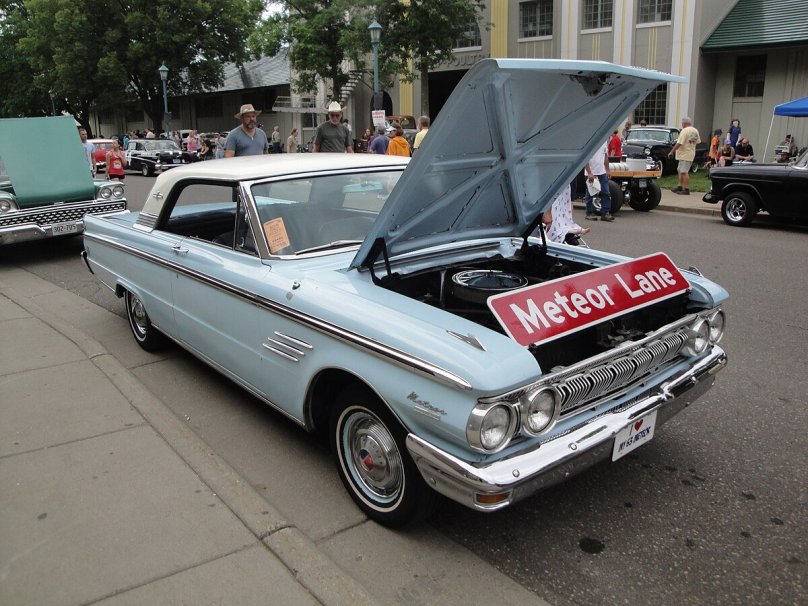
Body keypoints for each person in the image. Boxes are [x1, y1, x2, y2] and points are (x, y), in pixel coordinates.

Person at [667, 116, 700, 195]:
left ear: (684, 123)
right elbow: (697, 141)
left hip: (685, 154)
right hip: (689, 153)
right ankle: (679, 186)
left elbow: (679, 143)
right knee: (680, 170)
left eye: (682, 123)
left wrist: (672, 151)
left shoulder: (684, 131)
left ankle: (686, 189)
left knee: (684, 172)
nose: (682, 124)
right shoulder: (695, 130)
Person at [584, 141, 614, 221]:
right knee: (590, 193)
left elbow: (605, 156)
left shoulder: (604, 142)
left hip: (602, 172)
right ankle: (589, 213)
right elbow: (585, 158)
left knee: (606, 192)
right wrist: (589, 172)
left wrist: (607, 170)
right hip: (591, 172)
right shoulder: (590, 141)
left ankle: (605, 213)